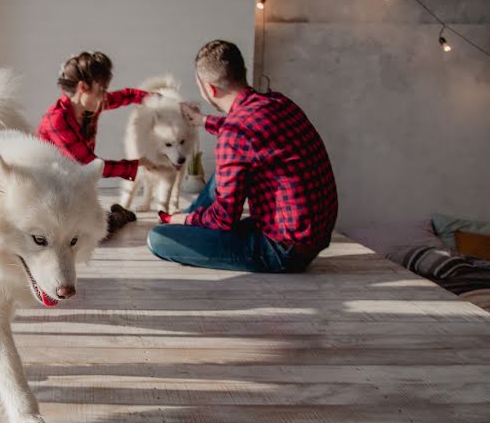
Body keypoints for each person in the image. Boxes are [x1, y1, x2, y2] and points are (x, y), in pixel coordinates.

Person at [149, 40, 338, 273]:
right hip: (309, 239)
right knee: (223, 175)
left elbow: (224, 219)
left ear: (210, 89)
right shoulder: (279, 103)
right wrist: (202, 120)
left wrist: (187, 221)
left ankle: (184, 221)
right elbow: (245, 132)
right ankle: (188, 220)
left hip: (283, 250)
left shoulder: (235, 133)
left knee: (158, 238)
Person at [35, 51, 153, 238]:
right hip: (49, 194)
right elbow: (90, 165)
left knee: (95, 228)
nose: (105, 96)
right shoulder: (56, 120)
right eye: (101, 90)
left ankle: (113, 215)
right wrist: (137, 164)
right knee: (95, 233)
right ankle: (117, 215)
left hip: (74, 187)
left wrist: (158, 99)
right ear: (83, 87)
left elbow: (126, 96)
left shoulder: (90, 107)